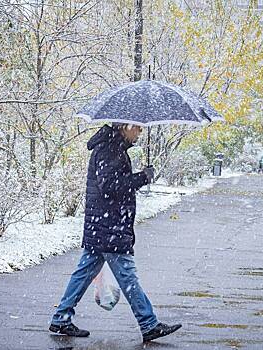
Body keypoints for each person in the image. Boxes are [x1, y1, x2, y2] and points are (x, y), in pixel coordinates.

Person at [49, 123, 182, 343]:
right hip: (110, 227)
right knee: (128, 277)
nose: (140, 132)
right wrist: (142, 178)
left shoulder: (112, 147)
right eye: (137, 128)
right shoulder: (110, 149)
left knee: (83, 273)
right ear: (124, 127)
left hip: (103, 225)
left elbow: (112, 184)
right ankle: (149, 324)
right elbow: (110, 186)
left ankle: (61, 317)